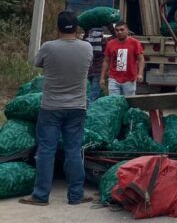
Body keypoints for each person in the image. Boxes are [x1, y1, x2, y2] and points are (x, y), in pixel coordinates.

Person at [18, 10, 93, 207]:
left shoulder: (48, 47)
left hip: (51, 107)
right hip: (77, 107)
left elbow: (37, 63)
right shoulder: (87, 48)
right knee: (74, 151)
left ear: (57, 27)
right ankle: (76, 195)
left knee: (46, 151)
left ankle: (41, 195)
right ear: (77, 28)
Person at [100, 22, 145, 96]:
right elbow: (106, 61)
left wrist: (140, 74)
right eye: (117, 30)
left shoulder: (135, 43)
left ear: (127, 30)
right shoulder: (110, 44)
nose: (119, 32)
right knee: (114, 102)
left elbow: (141, 59)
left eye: (122, 30)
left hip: (129, 79)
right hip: (113, 78)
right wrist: (102, 77)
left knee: (129, 102)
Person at [84, 25, 109, 103]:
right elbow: (107, 56)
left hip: (87, 69)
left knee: (88, 90)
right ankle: (89, 105)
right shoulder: (103, 41)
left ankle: (86, 104)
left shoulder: (86, 40)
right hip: (98, 69)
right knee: (95, 91)